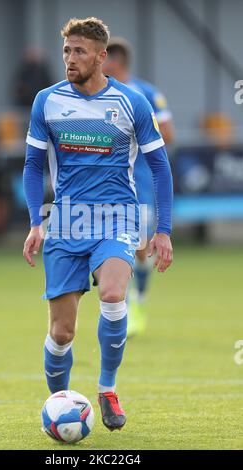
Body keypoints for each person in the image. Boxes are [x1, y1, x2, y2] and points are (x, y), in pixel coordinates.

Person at [23, 17, 173, 432]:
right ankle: (60, 402)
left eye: (80, 52)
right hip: (67, 222)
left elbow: (160, 168)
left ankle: (107, 389)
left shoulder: (132, 102)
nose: (70, 59)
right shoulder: (47, 101)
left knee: (111, 294)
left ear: (102, 58)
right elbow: (33, 165)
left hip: (118, 217)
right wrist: (36, 222)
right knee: (61, 332)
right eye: (67, 51)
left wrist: (164, 229)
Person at [103, 37, 174, 336]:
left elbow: (167, 133)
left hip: (140, 184)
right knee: (118, 245)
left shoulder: (146, 94)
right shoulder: (97, 95)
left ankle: (139, 299)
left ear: (115, 62)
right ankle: (120, 306)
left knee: (140, 247)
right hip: (107, 186)